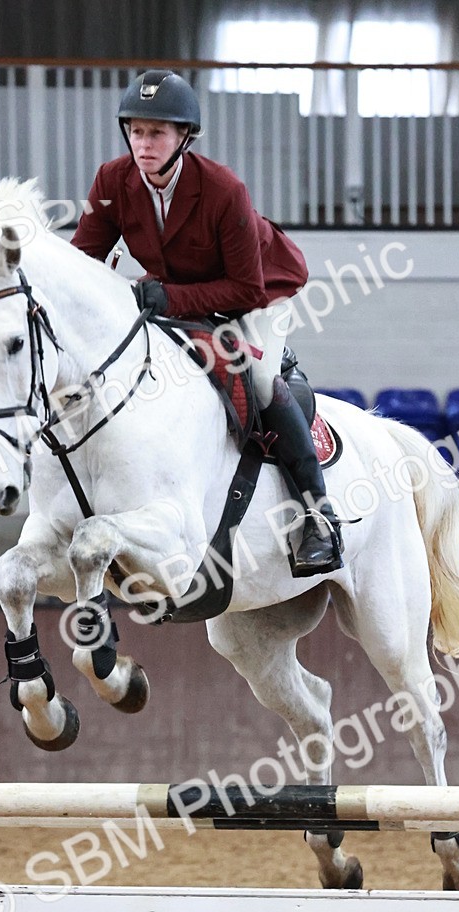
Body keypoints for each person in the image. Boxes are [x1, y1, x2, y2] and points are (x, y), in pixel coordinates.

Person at [72, 69, 343, 576]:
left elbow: (247, 289)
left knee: (261, 379)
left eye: (156, 133)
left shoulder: (222, 189)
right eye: (136, 131)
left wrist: (167, 296)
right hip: (182, 297)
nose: (143, 143)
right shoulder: (113, 181)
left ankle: (318, 517)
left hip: (261, 290)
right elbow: (82, 258)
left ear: (183, 138)